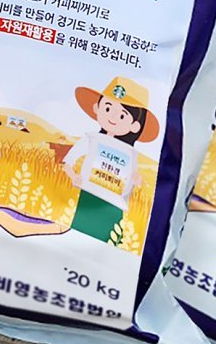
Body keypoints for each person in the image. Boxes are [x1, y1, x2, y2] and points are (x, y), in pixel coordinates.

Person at [58, 76, 159, 244]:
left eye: (122, 116)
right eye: (107, 108)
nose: (112, 117)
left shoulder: (130, 153)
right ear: (97, 108)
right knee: (78, 232)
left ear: (135, 126)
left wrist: (137, 180)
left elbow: (134, 181)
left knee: (109, 238)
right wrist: (74, 177)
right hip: (88, 195)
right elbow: (68, 161)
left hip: (115, 204)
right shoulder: (91, 139)